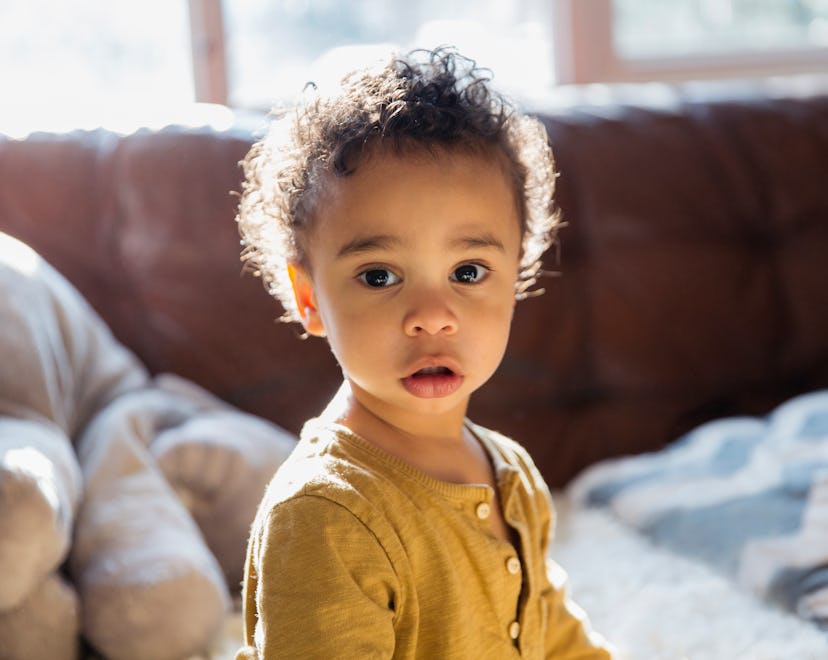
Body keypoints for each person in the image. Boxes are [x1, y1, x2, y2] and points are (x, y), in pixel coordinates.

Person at [234, 46, 614, 659]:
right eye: (380, 276)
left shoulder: (507, 470)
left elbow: (552, 629)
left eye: (467, 271)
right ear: (309, 297)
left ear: (517, 275)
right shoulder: (328, 516)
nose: (432, 316)